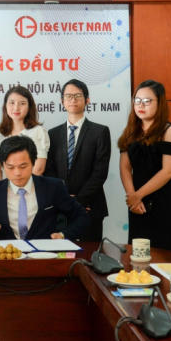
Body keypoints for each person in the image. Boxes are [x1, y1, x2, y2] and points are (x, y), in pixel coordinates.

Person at [118, 79, 171, 252]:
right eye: (137, 100)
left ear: (159, 103)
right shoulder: (130, 131)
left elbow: (168, 171)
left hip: (163, 199)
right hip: (137, 203)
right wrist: (132, 196)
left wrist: (138, 195)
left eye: (147, 101)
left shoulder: (170, 131)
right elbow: (125, 167)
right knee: (138, 252)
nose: (141, 105)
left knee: (165, 252)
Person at [0, 136, 87, 240]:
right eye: (10, 167)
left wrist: (63, 235)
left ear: (33, 163)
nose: (17, 173)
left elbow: (81, 216)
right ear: (2, 165)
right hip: (8, 250)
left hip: (44, 250)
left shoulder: (53, 187)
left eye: (23, 166)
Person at [45, 79, 111, 242]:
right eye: (68, 96)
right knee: (60, 253)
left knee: (89, 253)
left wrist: (79, 200)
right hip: (59, 207)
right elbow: (50, 170)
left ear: (87, 100)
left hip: (90, 205)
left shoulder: (100, 132)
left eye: (77, 96)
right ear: (62, 101)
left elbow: (100, 172)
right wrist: (65, 198)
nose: (73, 100)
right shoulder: (52, 134)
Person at [0, 85, 50, 178]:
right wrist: (1, 185)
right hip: (5, 185)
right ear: (5, 106)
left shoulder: (39, 131)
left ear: (29, 107)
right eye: (12, 103)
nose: (16, 108)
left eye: (22, 103)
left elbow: (39, 169)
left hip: (31, 185)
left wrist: (19, 184)